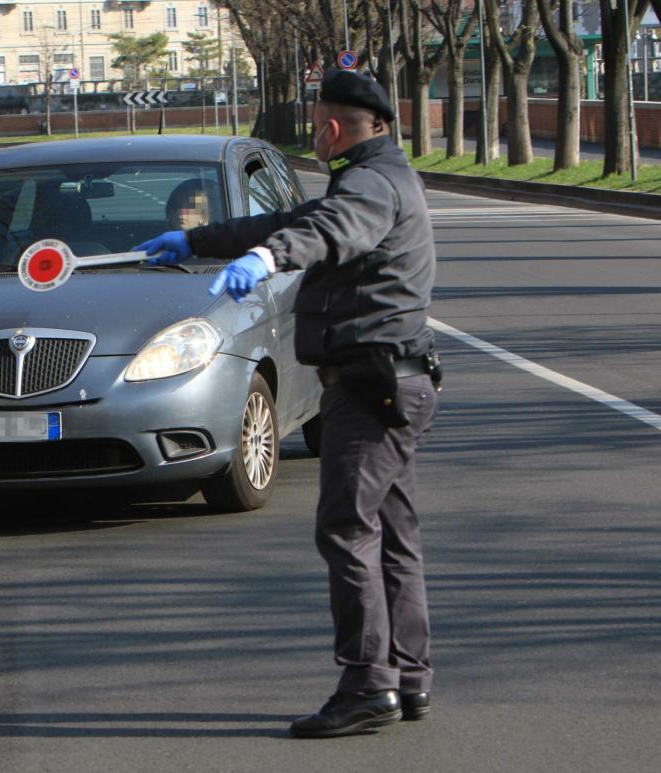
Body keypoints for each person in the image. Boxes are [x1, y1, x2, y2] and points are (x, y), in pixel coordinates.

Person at [140, 69, 440, 739]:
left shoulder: (367, 186)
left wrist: (267, 259)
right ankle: (408, 677)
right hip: (394, 383)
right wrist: (199, 241)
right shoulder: (387, 173)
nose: (315, 133)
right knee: (394, 536)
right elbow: (293, 218)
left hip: (372, 388)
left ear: (330, 128)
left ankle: (368, 684)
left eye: (317, 122)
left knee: (346, 531)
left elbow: (321, 231)